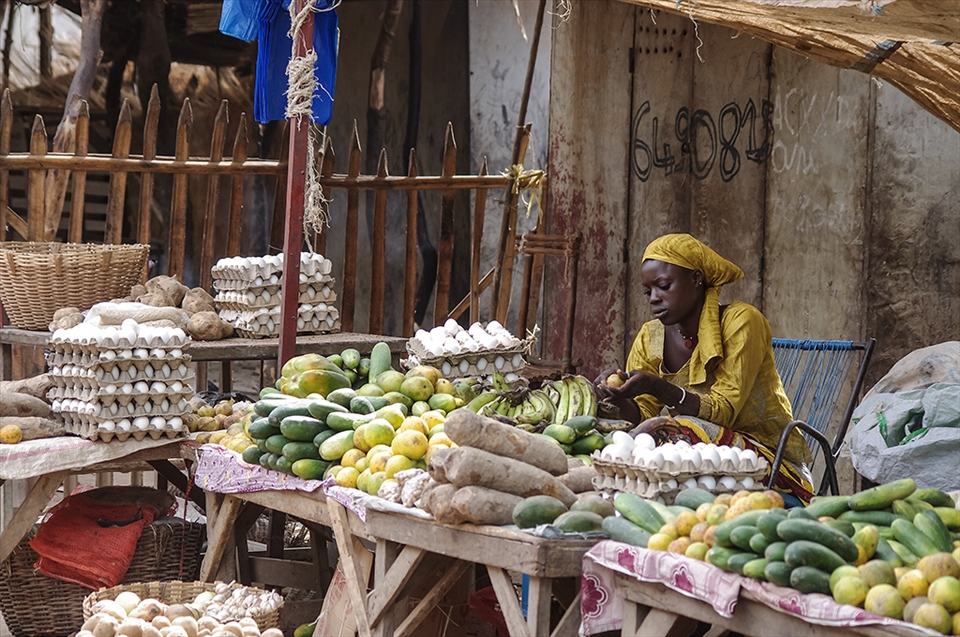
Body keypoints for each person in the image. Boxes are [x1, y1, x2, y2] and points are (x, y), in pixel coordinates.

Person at [594, 233, 814, 504]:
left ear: (696, 279)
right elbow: (641, 420)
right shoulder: (650, 337)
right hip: (697, 462)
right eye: (648, 291)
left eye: (663, 286)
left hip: (769, 463)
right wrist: (615, 396)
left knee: (679, 428)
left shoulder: (742, 322)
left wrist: (658, 386)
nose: (653, 298)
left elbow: (723, 414)